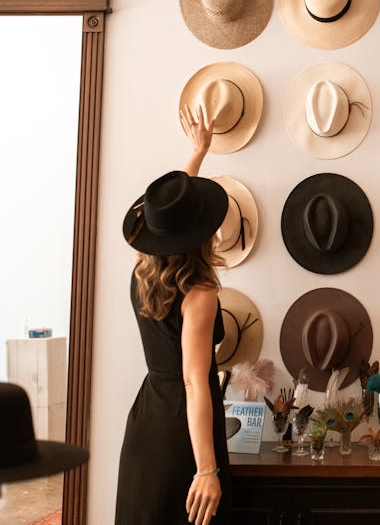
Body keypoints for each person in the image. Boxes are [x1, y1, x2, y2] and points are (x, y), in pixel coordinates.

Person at [116, 104, 231, 525]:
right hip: (183, 433)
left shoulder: (141, 270)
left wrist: (197, 153)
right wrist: (206, 469)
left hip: (147, 419)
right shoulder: (199, 295)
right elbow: (194, 383)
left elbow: (170, 219)